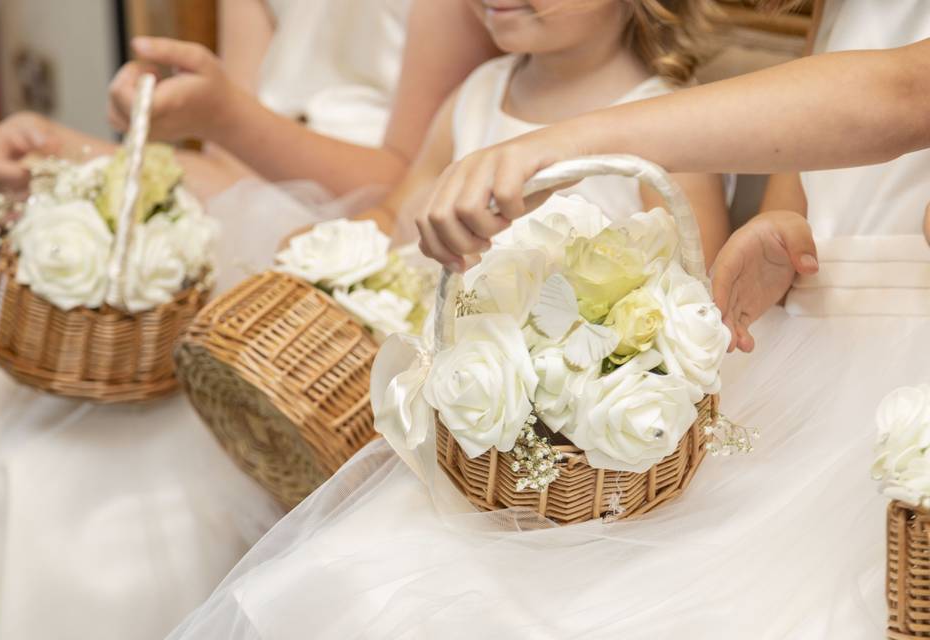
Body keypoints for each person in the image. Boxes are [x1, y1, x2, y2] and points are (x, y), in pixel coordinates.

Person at [161, 1, 744, 638]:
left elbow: (693, 316)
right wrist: (337, 253)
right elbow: (398, 214)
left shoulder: (670, 127)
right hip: (451, 430)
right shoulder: (477, 95)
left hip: (575, 465)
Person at [0, 2, 500, 639]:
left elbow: (411, 184)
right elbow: (231, 172)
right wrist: (62, 153)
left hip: (368, 256)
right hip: (252, 228)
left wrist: (228, 115)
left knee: (84, 496)